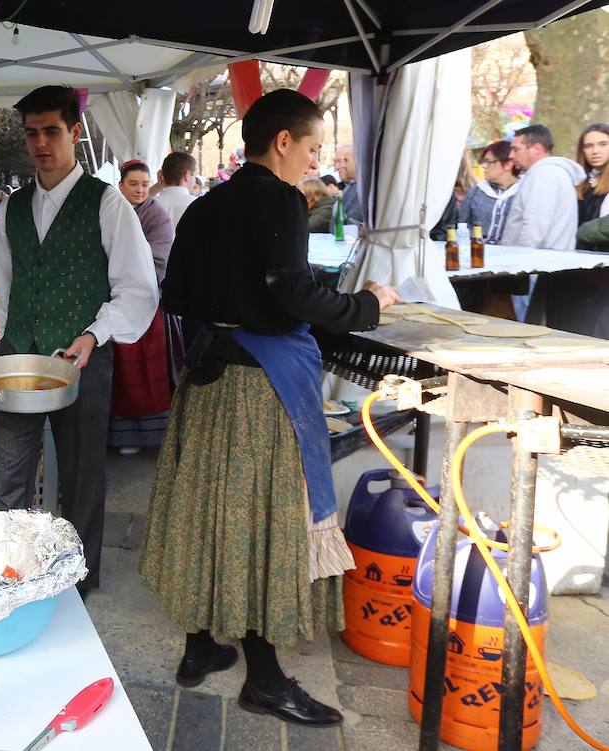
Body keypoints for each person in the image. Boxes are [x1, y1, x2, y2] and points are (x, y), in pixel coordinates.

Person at [141, 89, 401, 727]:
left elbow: (173, 295)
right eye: (312, 148)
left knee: (209, 510)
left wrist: (227, 316)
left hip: (206, 382)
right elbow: (292, 294)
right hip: (262, 389)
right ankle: (264, 677)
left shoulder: (203, 207)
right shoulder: (280, 198)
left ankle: (200, 648)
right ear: (282, 140)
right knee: (264, 522)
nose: (314, 161)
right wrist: (368, 304)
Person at [0, 85, 158, 597]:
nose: (41, 143)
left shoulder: (106, 203)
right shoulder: (11, 209)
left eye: (52, 131)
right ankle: (6, 575)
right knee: (7, 480)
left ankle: (77, 582)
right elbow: (6, 284)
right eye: (33, 133)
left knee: (82, 480)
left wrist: (93, 334)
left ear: (75, 133)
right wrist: (3, 334)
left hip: (82, 359)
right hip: (18, 359)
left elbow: (137, 288)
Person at [107, 160, 178, 455]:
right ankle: (118, 436)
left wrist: (124, 269)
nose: (139, 190)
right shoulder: (110, 210)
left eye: (145, 184)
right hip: (112, 302)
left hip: (148, 306)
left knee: (145, 376)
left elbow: (160, 256)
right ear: (121, 184)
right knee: (120, 374)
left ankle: (144, 438)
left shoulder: (156, 214)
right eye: (133, 184)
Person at [504, 124, 586, 325]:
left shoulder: (545, 174)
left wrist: (518, 268)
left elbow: (535, 226)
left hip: (531, 267)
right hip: (539, 266)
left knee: (524, 330)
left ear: (536, 149)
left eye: (516, 149)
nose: (512, 155)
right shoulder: (545, 173)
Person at [464, 140, 521, 240]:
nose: (483, 166)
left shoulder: (523, 194)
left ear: (507, 164)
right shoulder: (476, 192)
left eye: (489, 162)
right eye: (483, 162)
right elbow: (461, 226)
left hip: (511, 252)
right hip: (477, 251)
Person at [574, 123, 609, 250]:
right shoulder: (578, 183)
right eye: (589, 146)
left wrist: (583, 232)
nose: (595, 151)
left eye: (603, 144)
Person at [156, 152, 198, 227]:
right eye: (194, 175)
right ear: (187, 175)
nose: (195, 181)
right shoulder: (198, 205)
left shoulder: (148, 206)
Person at [335, 144, 363, 223]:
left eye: (346, 160)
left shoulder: (360, 189)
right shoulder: (350, 188)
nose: (339, 166)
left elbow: (351, 220)